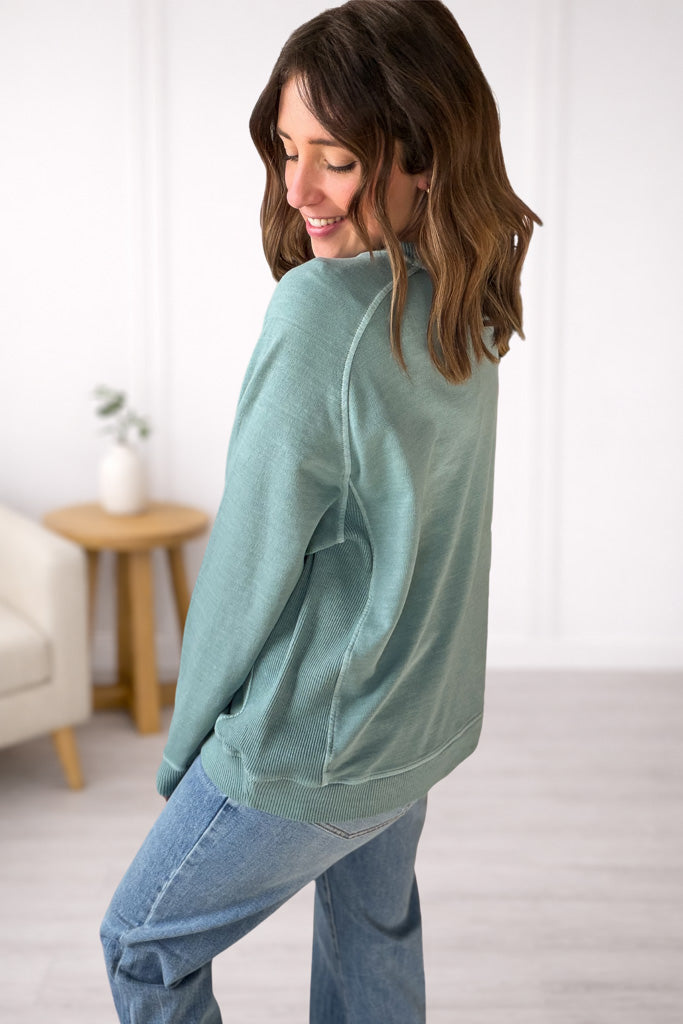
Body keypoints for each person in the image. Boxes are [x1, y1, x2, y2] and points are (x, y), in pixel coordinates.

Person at [100, 2, 540, 1021]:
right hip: (415, 722)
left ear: (418, 154)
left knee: (141, 944)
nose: (295, 188)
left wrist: (183, 752)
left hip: (316, 741)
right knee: (371, 933)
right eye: (287, 151)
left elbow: (249, 566)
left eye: (332, 159)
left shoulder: (321, 314)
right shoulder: (468, 303)